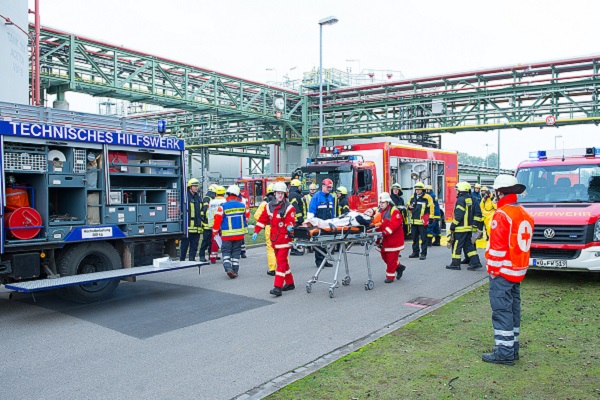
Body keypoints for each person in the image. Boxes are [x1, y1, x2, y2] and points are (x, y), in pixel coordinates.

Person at [482, 175, 534, 366]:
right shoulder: (523, 213)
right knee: (513, 309)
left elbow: (496, 248)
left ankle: (504, 352)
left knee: (501, 310)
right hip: (518, 270)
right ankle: (512, 347)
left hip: (503, 271)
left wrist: (493, 270)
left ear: (499, 192)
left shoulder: (502, 215)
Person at [252, 182, 296, 296]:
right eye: (278, 193)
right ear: (274, 194)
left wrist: (290, 226)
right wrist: (256, 231)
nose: (280, 195)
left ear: (285, 194)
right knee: (284, 262)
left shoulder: (289, 207)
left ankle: (277, 287)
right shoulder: (269, 206)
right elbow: (262, 219)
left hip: (285, 239)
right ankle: (290, 283)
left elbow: (290, 221)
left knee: (280, 263)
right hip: (274, 239)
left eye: (282, 193)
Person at [445, 181, 483, 271]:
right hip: (468, 228)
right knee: (469, 246)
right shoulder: (469, 199)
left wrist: (453, 225)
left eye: (457, 190)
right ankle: (475, 262)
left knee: (456, 246)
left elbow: (459, 215)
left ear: (461, 190)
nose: (456, 192)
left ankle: (455, 264)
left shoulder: (461, 199)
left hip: (460, 228)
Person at [212, 185, 248, 279]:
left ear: (228, 194)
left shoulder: (222, 207)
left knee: (226, 252)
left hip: (227, 235)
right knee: (236, 252)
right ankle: (235, 270)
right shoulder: (242, 206)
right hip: (239, 235)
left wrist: (215, 232)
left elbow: (217, 220)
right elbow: (245, 219)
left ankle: (228, 268)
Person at [376, 192, 405, 283]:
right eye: (380, 202)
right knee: (384, 257)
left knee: (391, 259)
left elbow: (394, 224)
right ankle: (399, 267)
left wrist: (385, 232)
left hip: (394, 240)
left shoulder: (394, 211)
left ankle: (390, 276)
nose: (381, 204)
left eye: (383, 202)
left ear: (388, 202)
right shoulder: (378, 211)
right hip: (384, 239)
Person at [307, 178, 336, 267]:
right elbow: (312, 211)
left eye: (330, 187)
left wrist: (333, 221)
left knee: (326, 242)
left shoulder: (330, 197)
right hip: (319, 222)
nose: (329, 189)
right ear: (323, 186)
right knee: (319, 243)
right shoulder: (316, 197)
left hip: (328, 223)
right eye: (328, 187)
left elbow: (332, 211)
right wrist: (315, 222)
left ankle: (325, 260)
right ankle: (319, 261)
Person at [254, 184, 277, 276]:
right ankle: (283, 267)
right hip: (280, 227)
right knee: (282, 247)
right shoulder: (282, 201)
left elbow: (256, 216)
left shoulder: (264, 203)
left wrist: (264, 223)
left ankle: (272, 269)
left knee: (271, 248)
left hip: (269, 227)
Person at [407, 182, 434, 260]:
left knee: (423, 238)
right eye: (416, 189)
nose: (418, 191)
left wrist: (431, 218)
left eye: (419, 189)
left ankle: (423, 253)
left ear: (422, 190)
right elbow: (408, 205)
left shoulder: (427, 197)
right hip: (414, 221)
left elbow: (431, 208)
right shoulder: (412, 197)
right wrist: (409, 207)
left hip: (422, 222)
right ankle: (415, 252)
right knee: (414, 238)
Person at [180, 178, 202, 262]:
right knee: (185, 244)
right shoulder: (186, 197)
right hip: (187, 226)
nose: (196, 188)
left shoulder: (198, 198)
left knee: (194, 244)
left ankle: (192, 259)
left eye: (197, 186)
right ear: (190, 187)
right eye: (194, 186)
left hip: (196, 227)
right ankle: (182, 260)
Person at [198, 183, 217, 263]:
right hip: (207, 224)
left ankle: (210, 255)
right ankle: (201, 255)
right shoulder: (207, 199)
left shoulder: (211, 199)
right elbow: (205, 211)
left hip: (211, 224)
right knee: (205, 241)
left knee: (211, 241)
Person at [207, 185, 227, 264]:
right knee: (224, 241)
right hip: (222, 224)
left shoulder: (211, 202)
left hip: (213, 224)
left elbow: (208, 213)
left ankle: (213, 257)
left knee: (214, 241)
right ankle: (226, 256)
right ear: (223, 193)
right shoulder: (225, 202)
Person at [288, 179, 305, 256]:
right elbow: (295, 207)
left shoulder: (295, 194)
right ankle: (293, 249)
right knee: (294, 234)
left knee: (295, 234)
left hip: (296, 218)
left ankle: (295, 247)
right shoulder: (293, 195)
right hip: (295, 218)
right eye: (299, 186)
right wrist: (300, 218)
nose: (300, 188)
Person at [238, 191, 250, 258]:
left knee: (241, 238)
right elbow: (247, 212)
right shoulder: (243, 200)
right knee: (241, 238)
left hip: (240, 222)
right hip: (242, 221)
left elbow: (247, 211)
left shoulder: (242, 201)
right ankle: (242, 252)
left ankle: (242, 252)